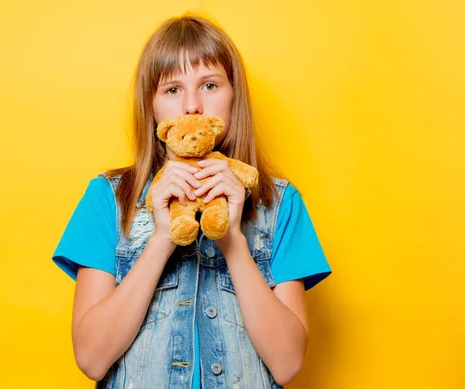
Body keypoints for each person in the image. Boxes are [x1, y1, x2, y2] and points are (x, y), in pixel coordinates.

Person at [52, 13, 332, 389]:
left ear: (234, 97)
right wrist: (161, 238)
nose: (192, 106)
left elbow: (287, 364)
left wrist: (232, 239)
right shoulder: (109, 198)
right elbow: (91, 358)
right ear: (151, 106)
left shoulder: (278, 203)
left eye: (210, 85)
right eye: (172, 90)